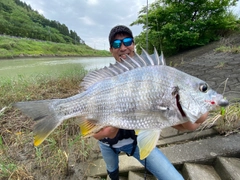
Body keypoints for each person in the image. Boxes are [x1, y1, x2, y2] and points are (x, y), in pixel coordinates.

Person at [93, 25, 208, 180]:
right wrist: (110, 127)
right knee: (112, 170)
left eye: (127, 41)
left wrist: (185, 118)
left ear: (133, 44)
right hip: (107, 144)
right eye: (116, 44)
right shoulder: (103, 81)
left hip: (136, 142)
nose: (123, 47)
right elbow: (97, 133)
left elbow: (180, 123)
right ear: (111, 50)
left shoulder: (152, 75)